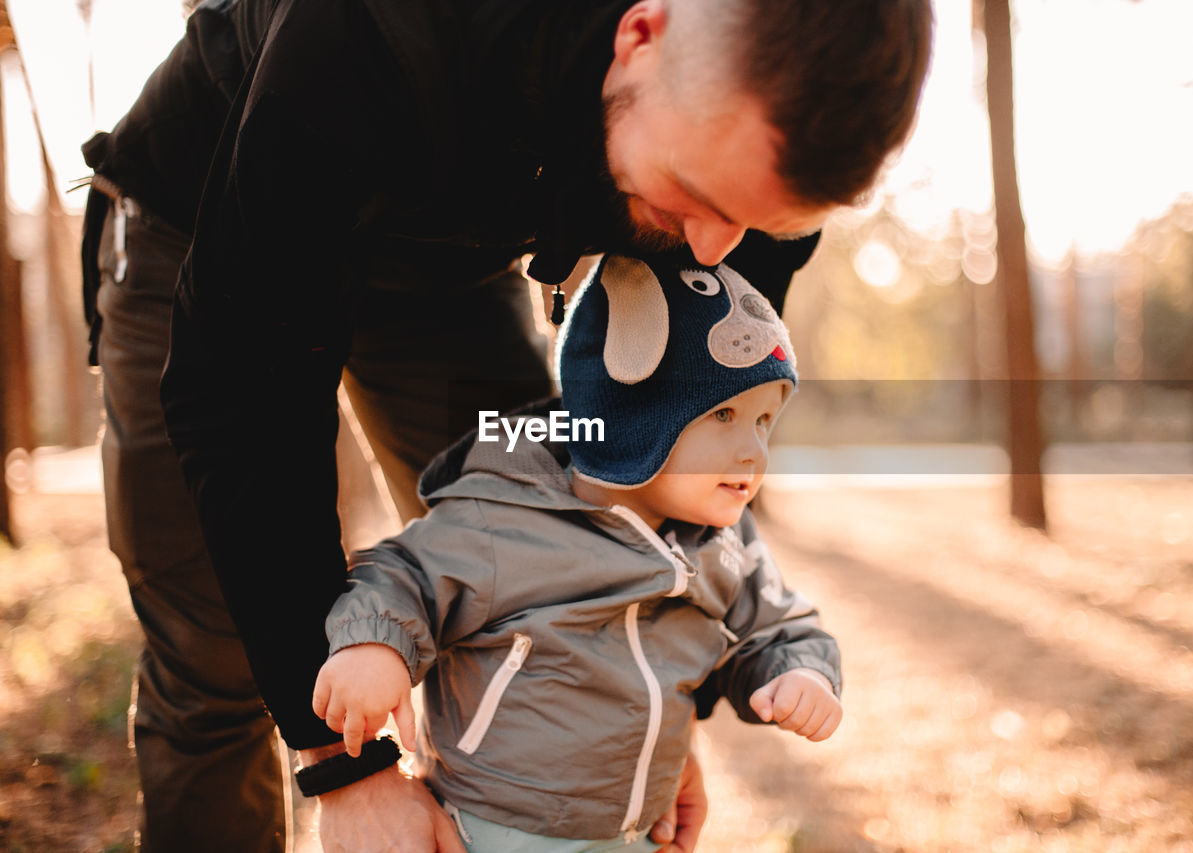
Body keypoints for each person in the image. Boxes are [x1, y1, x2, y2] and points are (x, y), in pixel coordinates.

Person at [78, 0, 932, 849]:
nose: (714, 250)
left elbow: (671, 449)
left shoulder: (768, 151)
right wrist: (348, 767)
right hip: (203, 225)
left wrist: (650, 707)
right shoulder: (375, 29)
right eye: (697, 196)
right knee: (219, 655)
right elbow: (243, 399)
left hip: (443, 272)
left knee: (559, 532)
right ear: (640, 36)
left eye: (758, 221)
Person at [312, 252, 842, 851]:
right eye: (724, 414)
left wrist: (801, 671)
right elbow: (403, 570)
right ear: (635, 416)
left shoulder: (725, 542)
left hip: (634, 829)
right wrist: (375, 643)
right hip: (496, 830)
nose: (754, 451)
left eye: (765, 420)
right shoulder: (508, 516)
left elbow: (776, 625)